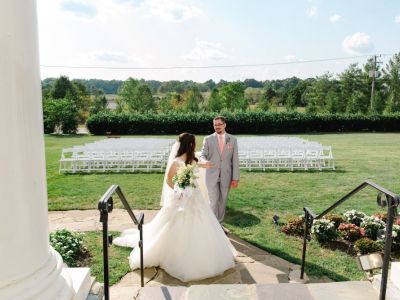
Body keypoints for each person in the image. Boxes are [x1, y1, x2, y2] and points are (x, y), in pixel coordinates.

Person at [113, 133, 236, 282]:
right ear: (189, 144)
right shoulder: (176, 162)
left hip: (195, 198)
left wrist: (209, 164)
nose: (195, 145)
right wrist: (179, 191)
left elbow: (200, 163)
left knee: (203, 222)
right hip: (180, 199)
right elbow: (169, 180)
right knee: (173, 224)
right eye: (194, 143)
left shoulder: (192, 159)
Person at [199, 116, 240, 222]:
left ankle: (219, 223)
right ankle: (212, 225)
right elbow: (202, 155)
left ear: (224, 125)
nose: (217, 126)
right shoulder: (208, 139)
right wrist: (204, 162)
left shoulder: (233, 139)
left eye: (219, 124)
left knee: (223, 201)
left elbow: (235, 160)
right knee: (213, 201)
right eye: (215, 125)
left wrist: (235, 178)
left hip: (227, 175)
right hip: (211, 175)